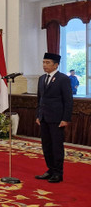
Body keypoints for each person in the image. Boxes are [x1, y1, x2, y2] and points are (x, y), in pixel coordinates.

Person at [35, 52, 73, 184]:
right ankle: (50, 169)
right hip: (44, 117)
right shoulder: (41, 78)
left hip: (57, 118)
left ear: (56, 65)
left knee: (57, 146)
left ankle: (58, 173)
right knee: (46, 145)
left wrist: (66, 118)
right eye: (43, 62)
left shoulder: (63, 79)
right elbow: (39, 99)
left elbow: (68, 100)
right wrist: (38, 115)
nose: (44, 65)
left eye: (48, 63)